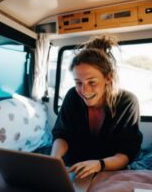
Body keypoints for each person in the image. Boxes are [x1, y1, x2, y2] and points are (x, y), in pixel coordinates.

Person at [51, 35, 143, 179]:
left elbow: (126, 153)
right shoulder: (72, 96)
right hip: (73, 170)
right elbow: (62, 135)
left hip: (109, 170)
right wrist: (54, 160)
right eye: (78, 83)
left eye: (92, 82)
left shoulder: (127, 102)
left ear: (108, 77)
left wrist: (99, 164)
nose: (84, 91)